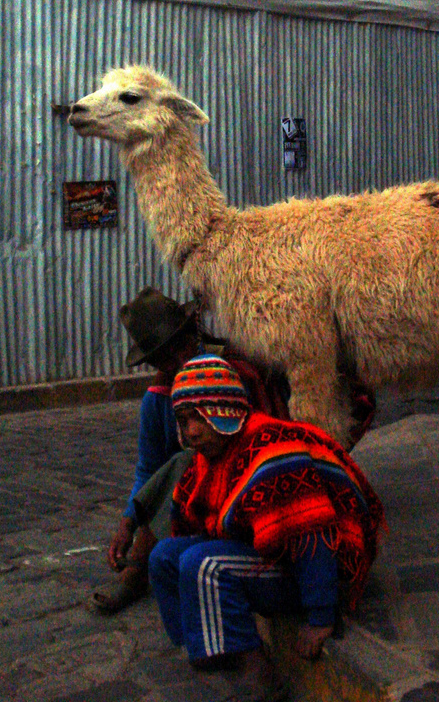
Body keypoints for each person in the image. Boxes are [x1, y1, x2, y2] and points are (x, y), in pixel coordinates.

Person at [148, 355, 385, 702]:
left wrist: (321, 616)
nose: (191, 431)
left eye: (199, 416)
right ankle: (212, 647)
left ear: (224, 410)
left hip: (320, 568)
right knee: (165, 556)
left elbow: (312, 532)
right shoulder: (212, 455)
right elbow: (192, 520)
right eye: (184, 420)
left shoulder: (272, 452)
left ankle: (259, 673)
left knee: (205, 564)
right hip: (269, 553)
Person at [92, 287, 290, 614]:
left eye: (179, 348)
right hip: (193, 490)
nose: (177, 362)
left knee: (186, 463)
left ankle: (139, 569)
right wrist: (129, 519)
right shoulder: (158, 398)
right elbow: (149, 468)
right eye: (163, 359)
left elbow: (266, 431)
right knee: (181, 466)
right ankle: (145, 564)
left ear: (191, 335)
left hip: (251, 473)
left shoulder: (236, 367)